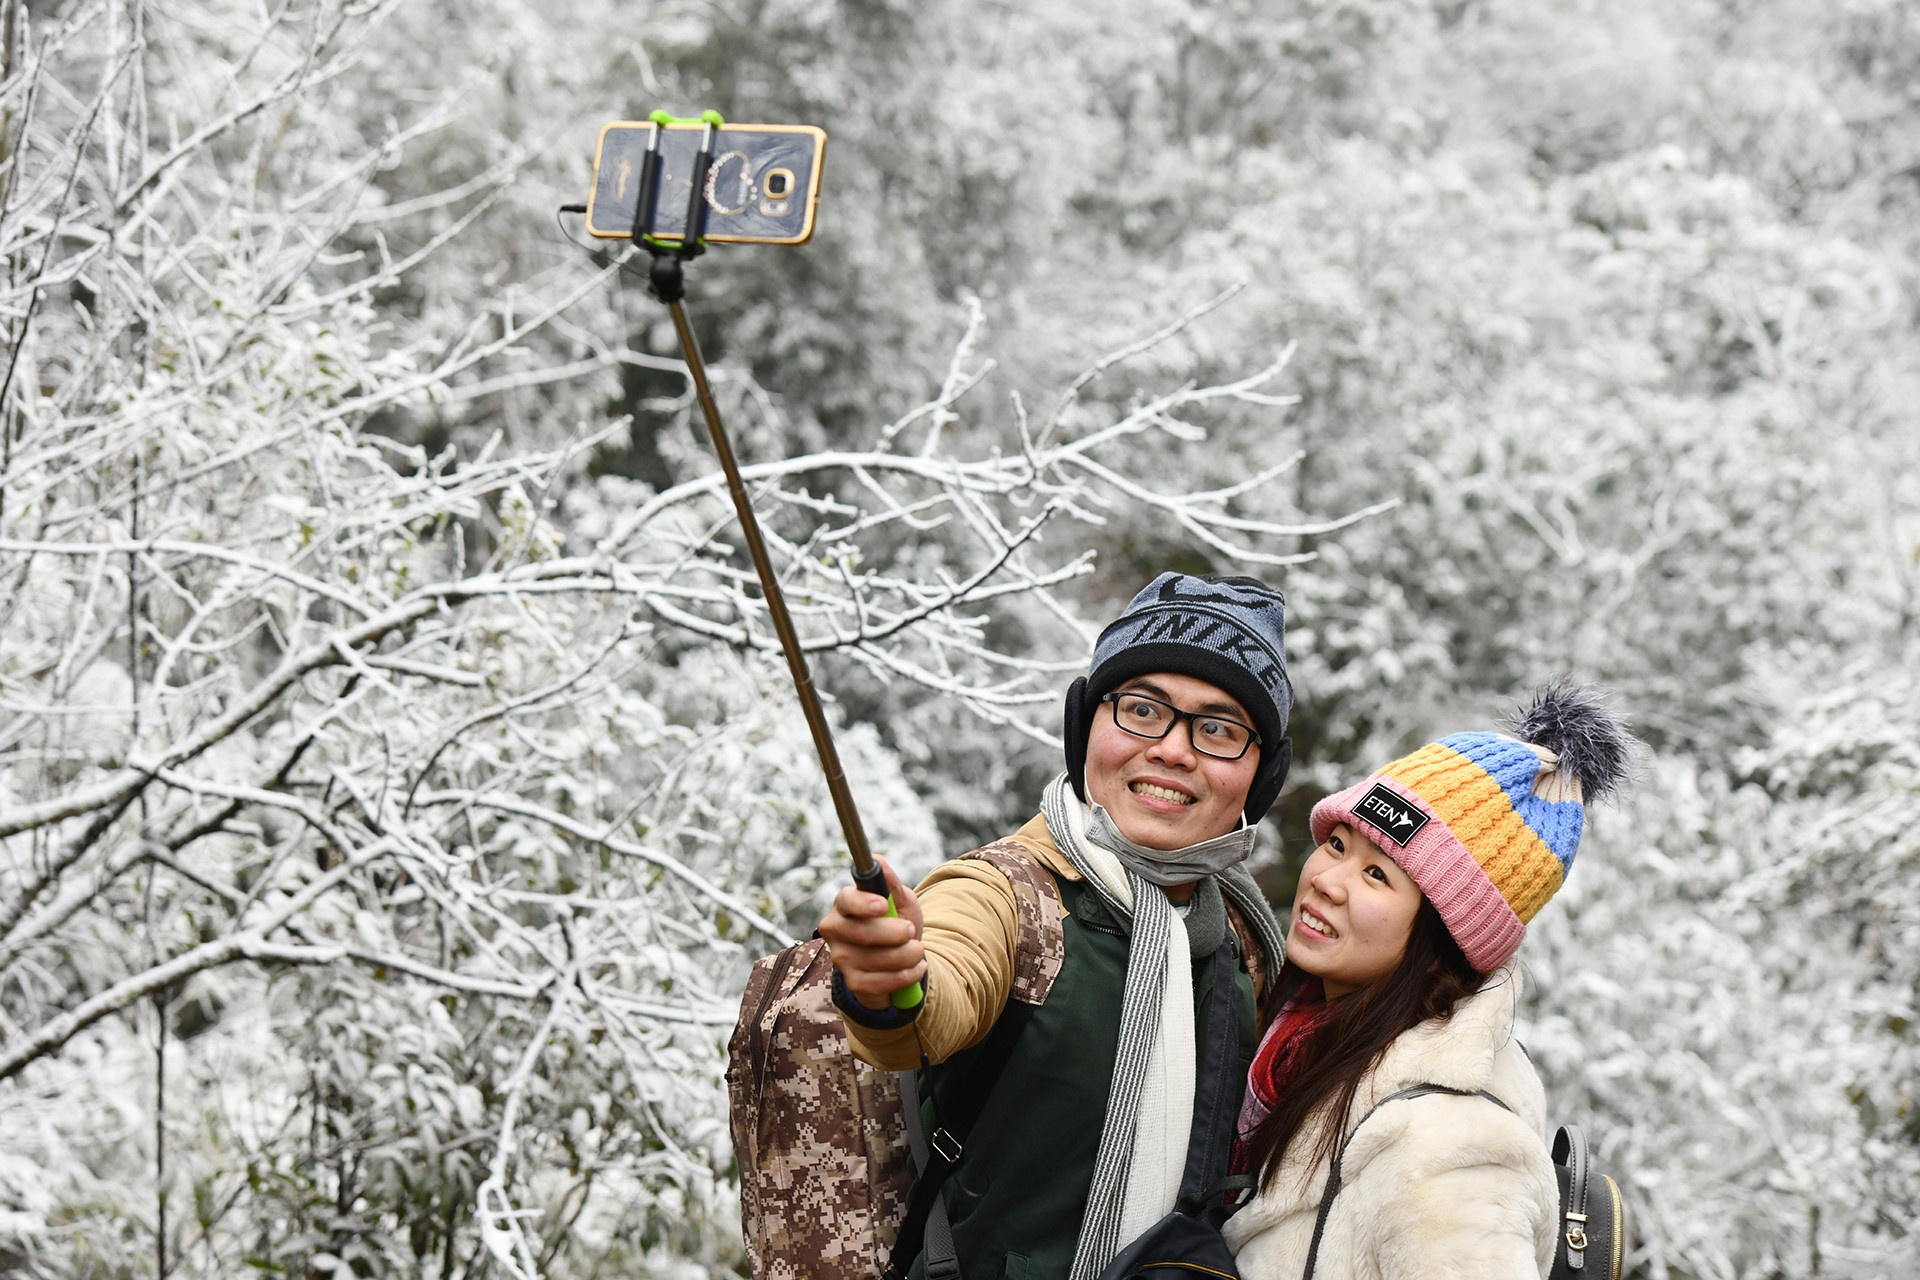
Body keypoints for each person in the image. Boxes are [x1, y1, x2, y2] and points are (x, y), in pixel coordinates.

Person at [820, 573, 1294, 1280]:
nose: (1172, 749)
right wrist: (890, 980)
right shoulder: (1007, 896)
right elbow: (939, 992)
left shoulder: (1245, 941)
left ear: (1263, 775)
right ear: (1085, 725)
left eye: (1219, 729)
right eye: (1141, 709)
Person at [1222, 685, 1633, 1280]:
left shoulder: (1449, 1149)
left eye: (1375, 875)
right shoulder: (1295, 1038)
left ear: (1447, 942)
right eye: (1337, 844)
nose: (1327, 881)